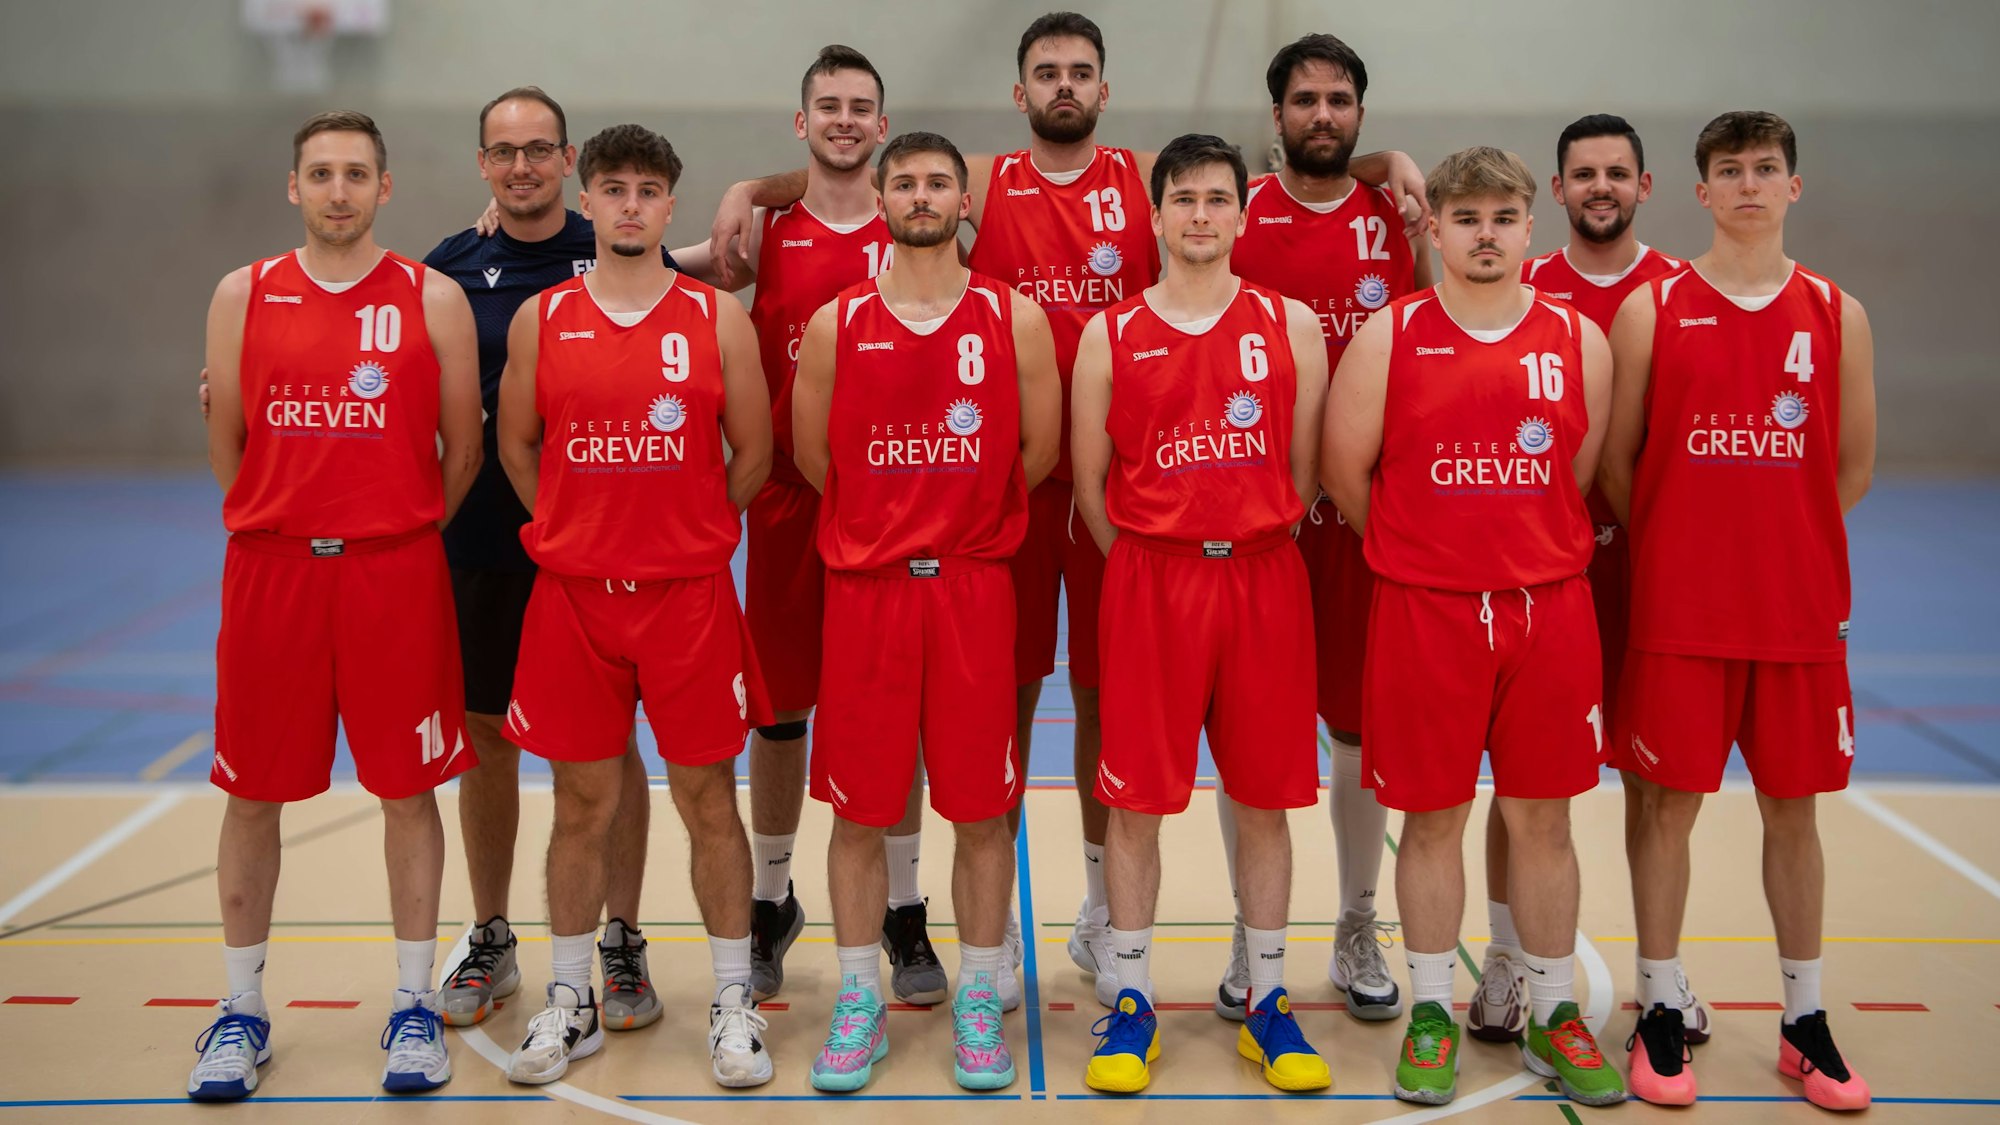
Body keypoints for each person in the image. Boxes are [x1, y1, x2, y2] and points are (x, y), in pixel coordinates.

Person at [707, 14, 1427, 1007]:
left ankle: (1096, 907)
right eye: (1044, 72)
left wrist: (1383, 162)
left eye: (1078, 72)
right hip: (992, 492)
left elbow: (1291, 172)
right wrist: (751, 188)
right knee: (981, 701)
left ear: (1102, 87)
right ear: (1020, 93)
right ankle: (969, 937)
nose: (1061, 85)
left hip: (1110, 484)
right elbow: (860, 167)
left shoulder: (1141, 181)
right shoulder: (985, 179)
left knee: (1101, 695)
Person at [1322, 147, 1624, 1107]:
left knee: (1545, 819)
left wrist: (1511, 550)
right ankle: (1429, 1011)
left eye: (1503, 217)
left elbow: (1572, 477)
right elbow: (1345, 478)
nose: (1485, 234)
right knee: (1434, 818)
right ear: (1437, 229)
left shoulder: (1580, 340)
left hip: (1549, 610)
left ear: (1529, 227)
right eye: (1466, 218)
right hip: (1427, 612)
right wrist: (1432, 557)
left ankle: (1552, 1011)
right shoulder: (1390, 335)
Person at [193, 110, 483, 1100]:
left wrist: (391, 530)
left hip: (391, 572)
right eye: (320, 173)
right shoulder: (243, 294)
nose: (338, 190)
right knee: (253, 792)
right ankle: (239, 1013)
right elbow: (228, 439)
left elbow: (463, 452)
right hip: (272, 571)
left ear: (384, 188)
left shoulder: (430, 298)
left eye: (356, 173)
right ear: (293, 187)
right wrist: (281, 518)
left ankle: (411, 1004)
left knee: (407, 789)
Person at [1598, 110, 1876, 1111]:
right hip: (1679, 613)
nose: (1748, 183)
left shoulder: (1835, 313)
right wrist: (1686, 546)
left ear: (1790, 188)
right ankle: (1658, 1005)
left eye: (1764, 168)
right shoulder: (1653, 311)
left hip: (1796, 613)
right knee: (1667, 810)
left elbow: (1847, 469)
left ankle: (1803, 1020)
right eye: (1728, 169)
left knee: (1790, 813)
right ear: (1700, 192)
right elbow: (1619, 464)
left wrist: (1775, 541)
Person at [493, 124, 775, 1088]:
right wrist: (582, 527)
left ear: (668, 205)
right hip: (575, 600)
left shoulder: (713, 318)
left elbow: (756, 457)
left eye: (647, 190)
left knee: (707, 799)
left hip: (688, 599)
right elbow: (517, 449)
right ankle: (570, 997)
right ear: (589, 196)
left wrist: (681, 527)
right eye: (611, 188)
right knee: (581, 801)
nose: (628, 205)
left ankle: (734, 1000)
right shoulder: (545, 318)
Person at [672, 46, 950, 1007]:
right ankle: (771, 896)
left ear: (882, 124)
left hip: (898, 508)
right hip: (793, 505)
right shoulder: (763, 230)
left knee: (895, 715)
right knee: (781, 713)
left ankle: (907, 907)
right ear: (802, 123)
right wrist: (527, 239)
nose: (842, 118)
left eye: (859, 107)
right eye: (825, 105)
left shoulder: (920, 222)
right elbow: (645, 273)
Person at [789, 131, 1060, 1092]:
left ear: (962, 197)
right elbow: (818, 460)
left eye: (938, 179)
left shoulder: (1012, 318)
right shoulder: (836, 322)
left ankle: (980, 994)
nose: (920, 194)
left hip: (973, 590)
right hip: (867, 593)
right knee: (861, 813)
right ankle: (861, 997)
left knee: (983, 811)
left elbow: (1034, 451)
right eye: (902, 180)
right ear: (881, 195)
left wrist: (957, 519)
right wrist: (889, 524)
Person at [1070, 133, 1331, 1095]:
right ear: (1155, 215)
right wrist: (1153, 558)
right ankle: (1131, 1000)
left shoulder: (1291, 324)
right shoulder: (1111, 333)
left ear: (1242, 212)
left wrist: (1244, 536)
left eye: (1218, 199)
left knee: (1264, 798)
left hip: (1263, 577)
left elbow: (1303, 474)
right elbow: (1091, 487)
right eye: (1183, 200)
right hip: (1151, 579)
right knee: (1136, 801)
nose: (1202, 216)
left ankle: (1266, 997)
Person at [422, 85, 677, 1035]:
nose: (522, 165)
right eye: (504, 151)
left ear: (568, 161)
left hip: (592, 555)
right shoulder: (445, 269)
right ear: (483, 164)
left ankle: (620, 938)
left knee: (608, 747)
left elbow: (723, 263)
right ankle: (490, 932)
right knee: (486, 740)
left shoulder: (615, 243)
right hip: (486, 542)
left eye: (539, 150)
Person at [1473, 112, 1698, 1050]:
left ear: (1646, 186)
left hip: (1653, 569)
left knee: (1657, 776)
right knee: (1518, 783)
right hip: (1543, 567)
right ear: (1554, 195)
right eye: (1582, 173)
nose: (1599, 185)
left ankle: (1664, 975)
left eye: (1617, 171)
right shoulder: (1513, 284)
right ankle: (1505, 958)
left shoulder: (1687, 293)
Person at [1224, 30, 1430, 1025]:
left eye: (1338, 101)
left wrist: (1397, 173)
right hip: (1255, 517)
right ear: (1275, 117)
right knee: (1255, 735)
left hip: (1358, 517)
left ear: (1357, 112)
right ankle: (1246, 932)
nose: (1321, 115)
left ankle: (1355, 922)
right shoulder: (1232, 212)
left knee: (1354, 728)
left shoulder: (1399, 218)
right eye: (1302, 100)